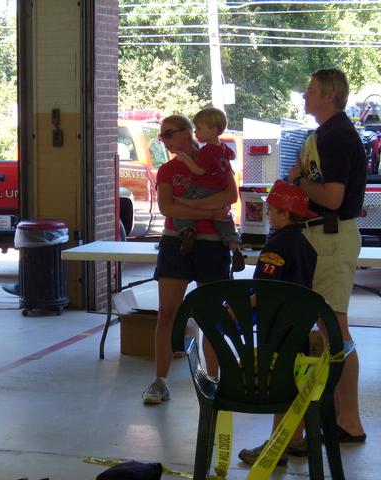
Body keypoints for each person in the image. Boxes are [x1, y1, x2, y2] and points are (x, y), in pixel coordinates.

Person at [287, 68, 367, 442]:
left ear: (330, 95)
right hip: (314, 235)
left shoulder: (338, 136)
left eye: (311, 90)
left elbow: (332, 198)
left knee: (334, 327)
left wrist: (301, 183)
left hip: (332, 236)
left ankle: (349, 420)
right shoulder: (318, 136)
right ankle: (331, 413)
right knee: (321, 328)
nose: (305, 95)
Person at [142, 115, 238, 404]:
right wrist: (209, 212)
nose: (166, 141)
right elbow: (167, 207)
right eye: (162, 137)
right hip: (176, 242)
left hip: (212, 246)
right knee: (167, 313)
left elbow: (231, 195)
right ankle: (160, 381)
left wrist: (191, 205)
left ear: (188, 133)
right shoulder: (168, 169)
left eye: (170, 134)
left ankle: (213, 379)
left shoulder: (217, 160)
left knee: (210, 315)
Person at [237, 179, 318, 466]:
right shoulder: (305, 245)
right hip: (301, 328)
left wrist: (234, 309)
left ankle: (276, 446)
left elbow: (264, 291)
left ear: (285, 213)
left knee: (282, 386)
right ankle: (295, 439)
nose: (269, 214)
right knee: (296, 385)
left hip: (279, 331)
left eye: (272, 210)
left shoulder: (277, 246)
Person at [172, 107, 244, 272]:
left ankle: (187, 230)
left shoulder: (207, 151)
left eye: (199, 129)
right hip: (219, 191)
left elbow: (199, 170)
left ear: (213, 130)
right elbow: (231, 156)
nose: (196, 132)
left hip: (203, 188)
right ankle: (235, 248)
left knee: (181, 208)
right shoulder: (223, 148)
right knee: (224, 221)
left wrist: (185, 159)